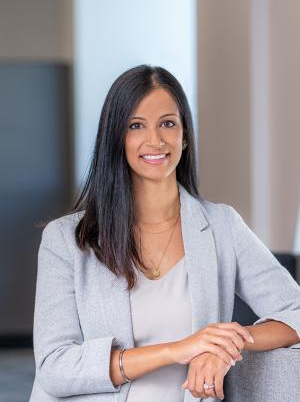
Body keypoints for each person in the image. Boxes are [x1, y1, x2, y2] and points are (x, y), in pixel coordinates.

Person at [29, 64, 300, 402]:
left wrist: (222, 344)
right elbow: (55, 367)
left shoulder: (222, 226)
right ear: (116, 137)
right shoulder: (65, 241)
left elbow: (295, 310)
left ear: (184, 135)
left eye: (168, 124)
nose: (155, 140)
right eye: (136, 125)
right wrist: (178, 350)